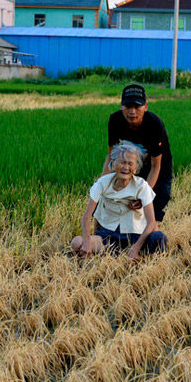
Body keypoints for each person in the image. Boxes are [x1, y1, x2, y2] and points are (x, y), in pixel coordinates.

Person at [72, 141, 168, 259]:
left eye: (130, 163)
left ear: (136, 167)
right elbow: (86, 216)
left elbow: (152, 222)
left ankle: (131, 255)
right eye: (122, 162)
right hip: (108, 237)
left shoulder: (142, 186)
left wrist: (136, 248)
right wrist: (86, 242)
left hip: (135, 236)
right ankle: (112, 253)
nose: (125, 167)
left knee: (159, 238)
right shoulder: (103, 183)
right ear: (113, 164)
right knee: (76, 242)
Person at [104, 84, 173, 222]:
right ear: (121, 106)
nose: (132, 111)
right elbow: (111, 157)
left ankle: (152, 236)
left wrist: (144, 195)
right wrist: (103, 184)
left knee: (154, 208)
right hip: (132, 166)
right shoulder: (115, 120)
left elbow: (156, 166)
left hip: (157, 168)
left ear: (146, 106)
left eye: (137, 107)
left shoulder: (154, 124)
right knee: (127, 206)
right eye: (128, 106)